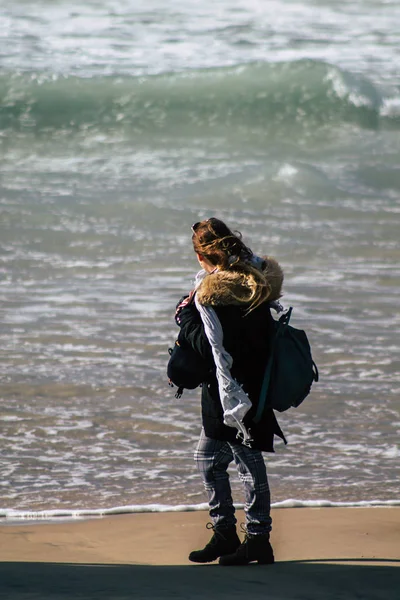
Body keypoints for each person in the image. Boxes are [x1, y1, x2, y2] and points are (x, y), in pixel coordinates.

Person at [174, 217, 286, 566]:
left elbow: (212, 349)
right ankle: (225, 533)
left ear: (201, 256)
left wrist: (185, 317)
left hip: (236, 394)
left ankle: (258, 539)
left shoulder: (216, 296)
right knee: (209, 459)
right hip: (247, 384)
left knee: (248, 464)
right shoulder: (254, 278)